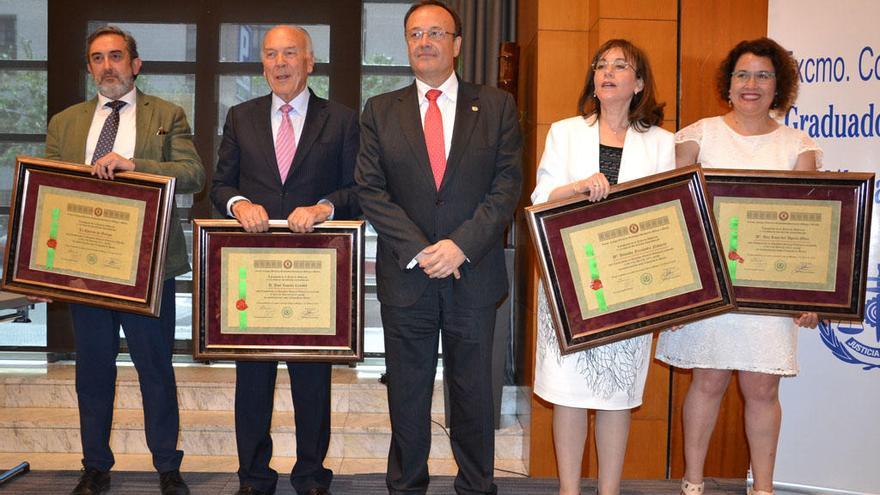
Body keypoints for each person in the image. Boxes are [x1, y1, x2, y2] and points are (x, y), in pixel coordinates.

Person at [355, 1, 522, 493]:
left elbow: (507, 186)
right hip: (408, 276)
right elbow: (370, 189)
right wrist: (423, 249)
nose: (423, 42)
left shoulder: (495, 106)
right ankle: (406, 485)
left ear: (458, 44)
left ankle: (475, 486)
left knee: (472, 395)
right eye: (414, 34)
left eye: (435, 33)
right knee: (407, 395)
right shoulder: (380, 110)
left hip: (472, 273)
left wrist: (459, 247)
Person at [655, 37, 821, 495]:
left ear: (778, 85)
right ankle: (693, 483)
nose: (752, 84)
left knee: (763, 389)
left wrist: (809, 295)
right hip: (710, 288)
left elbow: (812, 227)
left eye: (764, 75)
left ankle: (763, 488)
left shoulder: (798, 145)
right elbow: (670, 212)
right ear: (728, 84)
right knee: (707, 382)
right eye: (742, 75)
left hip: (768, 291)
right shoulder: (697, 135)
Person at [43, 25, 204, 495]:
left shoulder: (167, 114)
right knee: (93, 371)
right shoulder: (65, 122)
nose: (107, 66)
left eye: (116, 56)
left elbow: (194, 175)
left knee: (155, 369)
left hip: (149, 269)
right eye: (98, 58)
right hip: (86, 270)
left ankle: (168, 468)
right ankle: (95, 466)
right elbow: (49, 191)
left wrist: (137, 166)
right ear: (89, 66)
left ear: (135, 64)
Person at [211, 25, 359, 495]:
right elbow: (219, 185)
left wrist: (323, 208)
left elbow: (359, 189)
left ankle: (311, 475)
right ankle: (254, 477)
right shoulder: (240, 117)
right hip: (252, 276)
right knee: (252, 383)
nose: (280, 63)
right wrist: (239, 205)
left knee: (312, 383)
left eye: (290, 53)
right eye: (271, 55)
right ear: (263, 65)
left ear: (310, 61)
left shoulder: (341, 120)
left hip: (314, 274)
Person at [530, 39, 674, 495]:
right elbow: (541, 200)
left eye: (620, 66)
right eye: (601, 65)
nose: (607, 72)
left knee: (618, 394)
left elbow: (668, 213)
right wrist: (578, 186)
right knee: (568, 392)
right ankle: (569, 490)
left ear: (640, 84)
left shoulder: (662, 143)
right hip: (569, 279)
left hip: (631, 284)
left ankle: (609, 490)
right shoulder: (565, 131)